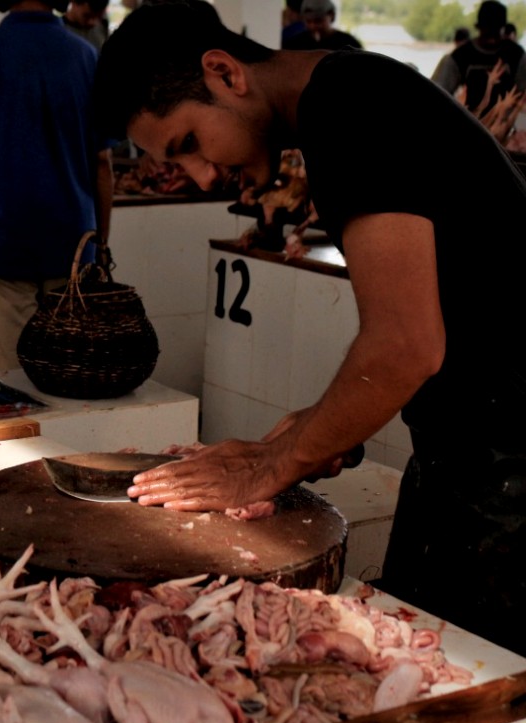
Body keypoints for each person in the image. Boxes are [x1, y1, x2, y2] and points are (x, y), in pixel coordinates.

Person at [94, 0, 526, 656]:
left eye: (189, 145)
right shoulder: (352, 90)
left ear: (224, 73)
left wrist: (270, 468)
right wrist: (314, 430)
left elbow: (406, 344)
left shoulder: (348, 107)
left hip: (510, 478)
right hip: (468, 452)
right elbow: (446, 319)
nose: (203, 176)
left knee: (470, 701)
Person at [0, 0, 114, 372]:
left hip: (1, 237)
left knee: (17, 374)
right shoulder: (87, 58)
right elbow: (102, 162)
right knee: (69, 371)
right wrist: (101, 243)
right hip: (72, 240)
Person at [432, 0, 526, 117]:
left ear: (503, 30)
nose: (492, 39)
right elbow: (439, 90)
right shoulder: (461, 56)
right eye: (488, 33)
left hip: (504, 124)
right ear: (479, 28)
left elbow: (523, 91)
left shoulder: (515, 54)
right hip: (472, 121)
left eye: (496, 33)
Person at [282, 0, 361, 51]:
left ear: (332, 16)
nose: (313, 26)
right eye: (308, 21)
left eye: (318, 21)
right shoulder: (294, 44)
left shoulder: (349, 44)